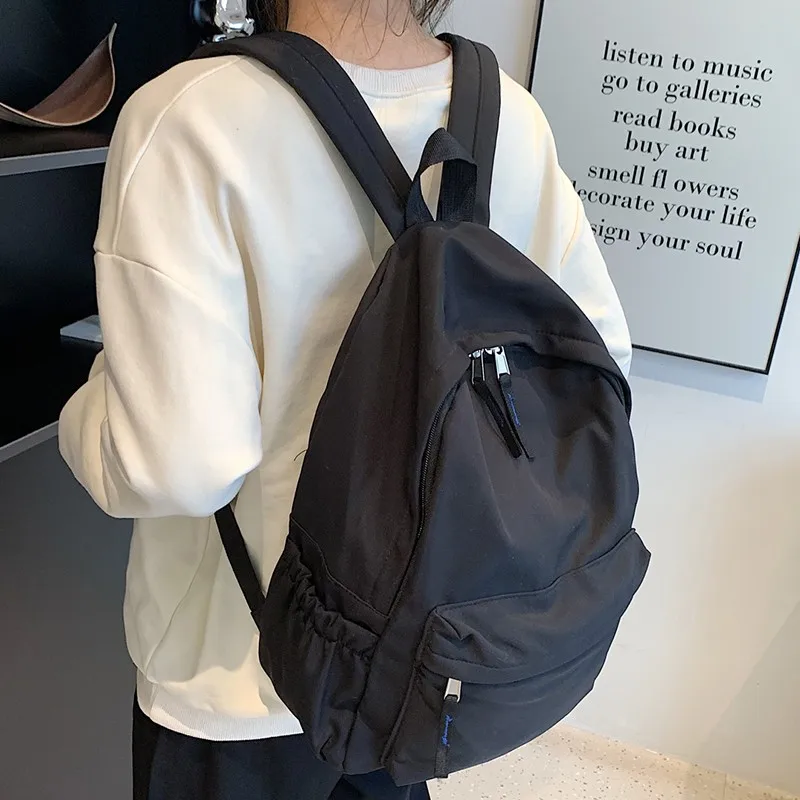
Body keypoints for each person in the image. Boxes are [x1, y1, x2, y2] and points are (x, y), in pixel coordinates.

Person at [58, 0, 633, 797]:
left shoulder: (188, 117)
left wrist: (87, 409)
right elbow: (603, 362)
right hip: (421, 663)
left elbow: (180, 465)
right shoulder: (510, 114)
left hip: (232, 675)